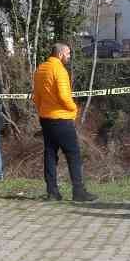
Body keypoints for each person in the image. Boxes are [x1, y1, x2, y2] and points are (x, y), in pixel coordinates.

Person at [32, 42, 95, 202]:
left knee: (50, 154)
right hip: (62, 119)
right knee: (73, 155)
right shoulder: (59, 70)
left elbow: (36, 96)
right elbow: (64, 96)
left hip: (46, 119)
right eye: (68, 54)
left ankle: (52, 192)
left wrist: (42, 112)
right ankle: (78, 191)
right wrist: (74, 109)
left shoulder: (41, 69)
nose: (69, 57)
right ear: (60, 54)